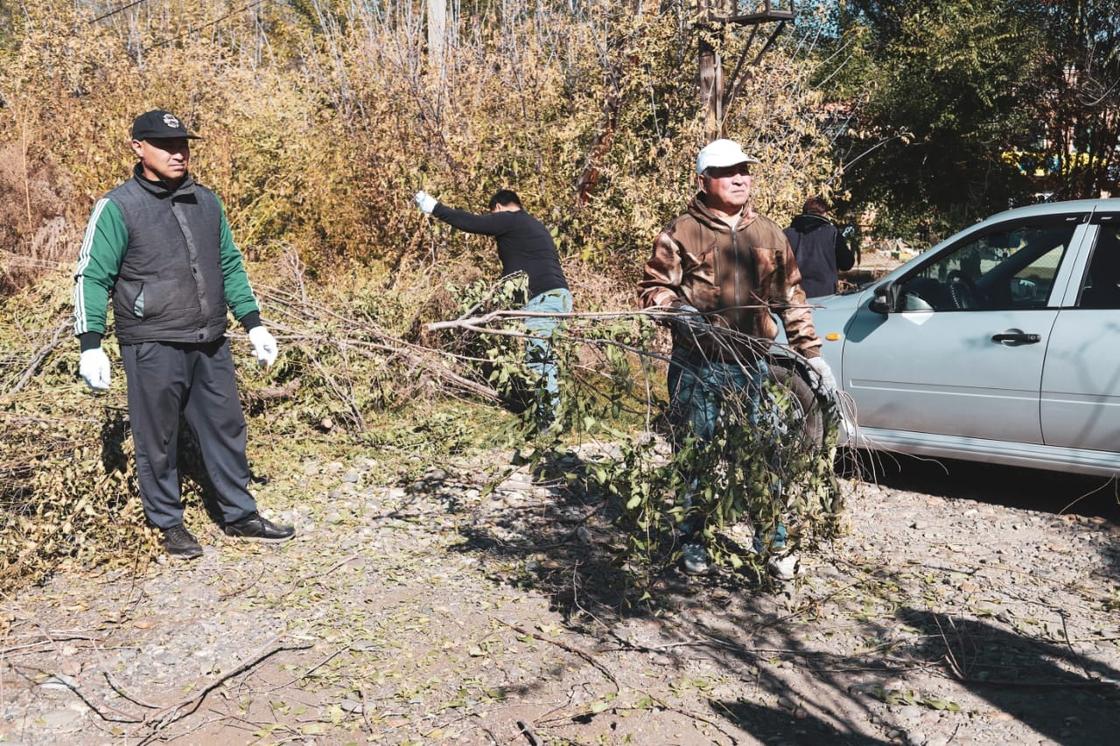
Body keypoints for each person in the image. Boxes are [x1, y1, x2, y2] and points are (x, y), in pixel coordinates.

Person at [73, 109, 295, 560]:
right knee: (157, 437)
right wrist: (90, 344)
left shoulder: (206, 201)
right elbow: (92, 276)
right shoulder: (118, 207)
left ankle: (239, 514)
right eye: (166, 145)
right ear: (138, 148)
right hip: (151, 340)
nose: (179, 154)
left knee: (226, 427)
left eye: (183, 145)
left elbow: (229, 263)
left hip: (210, 337)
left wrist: (253, 323)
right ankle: (168, 523)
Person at [638, 139, 836, 579]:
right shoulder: (681, 232)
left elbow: (791, 298)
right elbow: (653, 290)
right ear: (704, 180)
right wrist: (677, 311)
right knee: (698, 455)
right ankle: (695, 539)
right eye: (729, 172)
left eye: (745, 170)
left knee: (763, 455)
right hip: (698, 365)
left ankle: (772, 544)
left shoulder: (769, 234)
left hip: (753, 366)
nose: (741, 178)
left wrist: (813, 356)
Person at [413, 188, 572, 425]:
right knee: (545, 358)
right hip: (559, 296)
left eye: (493, 215)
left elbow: (470, 222)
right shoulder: (535, 226)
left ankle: (549, 424)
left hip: (544, 299)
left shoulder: (510, 218)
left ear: (498, 208)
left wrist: (434, 207)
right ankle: (553, 416)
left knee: (539, 360)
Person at [783, 196, 855, 298]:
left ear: (803, 212)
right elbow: (847, 264)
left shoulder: (786, 233)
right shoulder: (831, 233)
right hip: (825, 296)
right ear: (824, 213)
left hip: (794, 296)